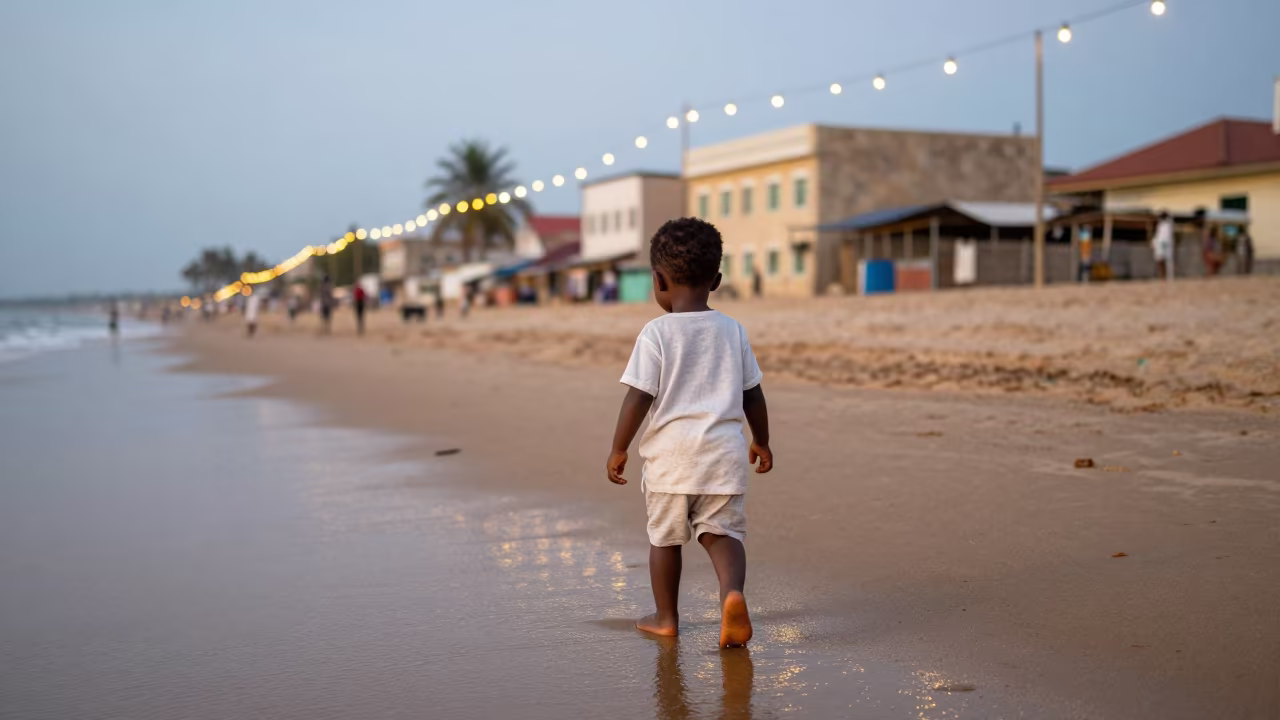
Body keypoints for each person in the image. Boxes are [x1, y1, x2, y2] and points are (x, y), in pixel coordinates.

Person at [606, 217, 773, 649]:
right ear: (716, 279)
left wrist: (618, 448)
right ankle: (732, 594)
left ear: (657, 279)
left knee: (664, 540)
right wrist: (762, 440)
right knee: (723, 536)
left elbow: (638, 398)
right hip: (723, 458)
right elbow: (753, 393)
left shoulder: (657, 333)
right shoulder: (732, 330)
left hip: (670, 464)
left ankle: (666, 618)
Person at [1152, 212, 1174, 280]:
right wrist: (1155, 242)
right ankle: (1161, 276)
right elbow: (1158, 235)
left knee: (1168, 261)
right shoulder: (1160, 224)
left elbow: (1166, 236)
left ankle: (1168, 277)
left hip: (1166, 244)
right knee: (1160, 261)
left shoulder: (1168, 224)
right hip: (1160, 244)